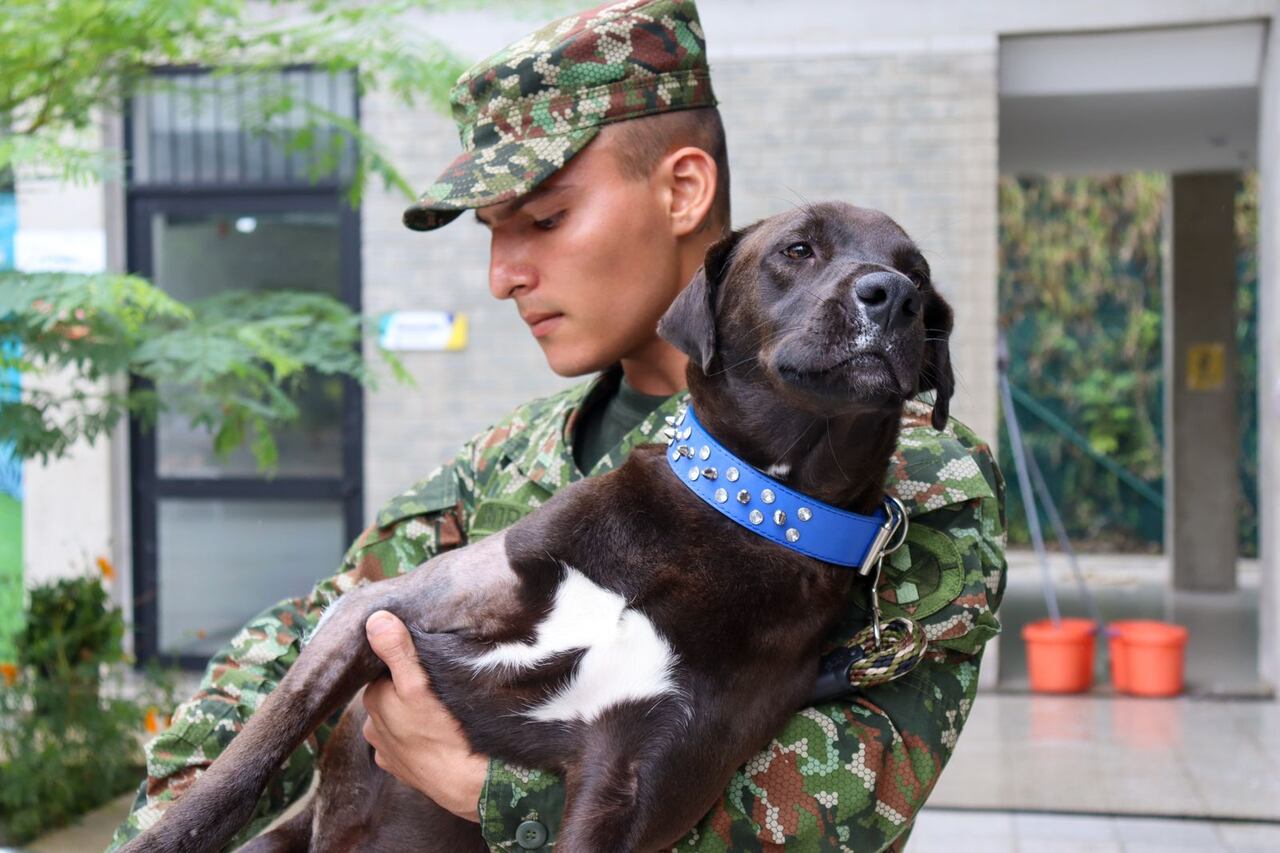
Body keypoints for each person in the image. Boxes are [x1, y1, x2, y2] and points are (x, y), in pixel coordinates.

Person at [109, 0, 1006, 850]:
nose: (504, 275)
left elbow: (847, 803)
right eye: (492, 234)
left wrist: (485, 788)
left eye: (544, 219)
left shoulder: (916, 478)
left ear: (684, 190)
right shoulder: (512, 453)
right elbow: (296, 647)